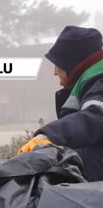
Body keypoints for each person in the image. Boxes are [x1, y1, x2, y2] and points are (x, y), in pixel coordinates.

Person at [18, 26, 103, 181]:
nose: (55, 72)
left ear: (72, 63)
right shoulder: (91, 83)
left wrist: (51, 135)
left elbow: (96, 116)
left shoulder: (100, 82)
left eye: (57, 64)